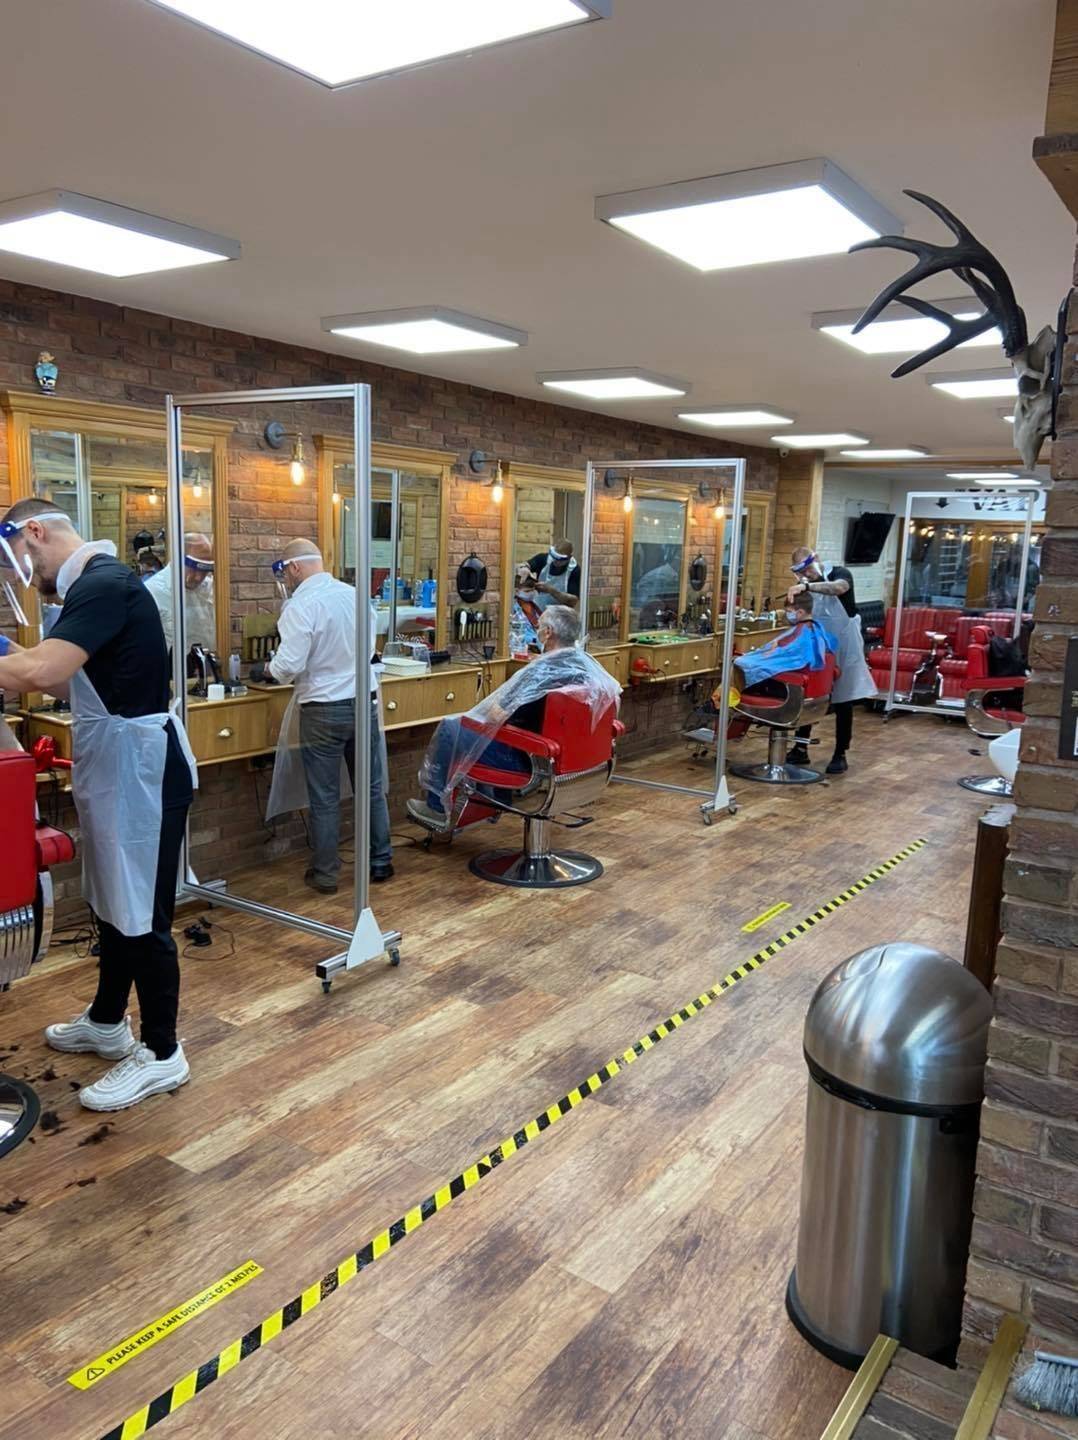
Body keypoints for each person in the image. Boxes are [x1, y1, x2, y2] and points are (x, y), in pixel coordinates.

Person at [0, 498, 197, 1111]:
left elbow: (42, 672)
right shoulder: (92, 588)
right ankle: (109, 1020)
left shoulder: (104, 583)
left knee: (142, 914)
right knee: (112, 902)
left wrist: (13, 659)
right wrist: (10, 652)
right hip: (117, 764)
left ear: (34, 532)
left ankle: (163, 1052)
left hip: (143, 771)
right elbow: (67, 679)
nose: (21, 577)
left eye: (18, 561)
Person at [407, 604, 620, 830]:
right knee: (477, 731)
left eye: (539, 627)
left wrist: (488, 705)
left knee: (451, 728)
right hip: (576, 757)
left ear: (548, 633)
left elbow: (495, 714)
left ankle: (437, 808)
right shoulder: (585, 666)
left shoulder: (542, 671)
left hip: (528, 759)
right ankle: (495, 801)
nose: (537, 631)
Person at [264, 539, 392, 893]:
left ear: (294, 567)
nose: (285, 579)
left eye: (284, 572)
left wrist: (269, 670)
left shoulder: (300, 605)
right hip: (364, 703)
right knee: (371, 787)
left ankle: (325, 874)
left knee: (324, 796)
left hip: (323, 710)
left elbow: (289, 666)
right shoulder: (355, 596)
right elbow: (369, 649)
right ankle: (381, 861)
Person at [785, 546, 876, 774]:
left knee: (843, 700)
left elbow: (838, 588)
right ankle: (800, 748)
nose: (805, 574)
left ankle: (840, 753)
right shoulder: (805, 584)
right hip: (819, 645)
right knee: (810, 695)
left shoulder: (840, 574)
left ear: (816, 559)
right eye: (800, 572)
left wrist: (807, 586)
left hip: (845, 645)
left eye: (807, 568)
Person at [732, 591, 837, 690]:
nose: (787, 614)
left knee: (739, 663)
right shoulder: (815, 630)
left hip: (784, 683)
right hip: (796, 673)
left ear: (800, 612)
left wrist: (754, 657)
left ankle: (727, 699)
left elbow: (786, 654)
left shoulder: (802, 635)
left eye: (789, 611)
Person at [143, 532, 216, 654]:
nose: (198, 577)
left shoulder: (209, 588)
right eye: (194, 569)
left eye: (204, 570)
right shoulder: (152, 592)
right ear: (177, 559)